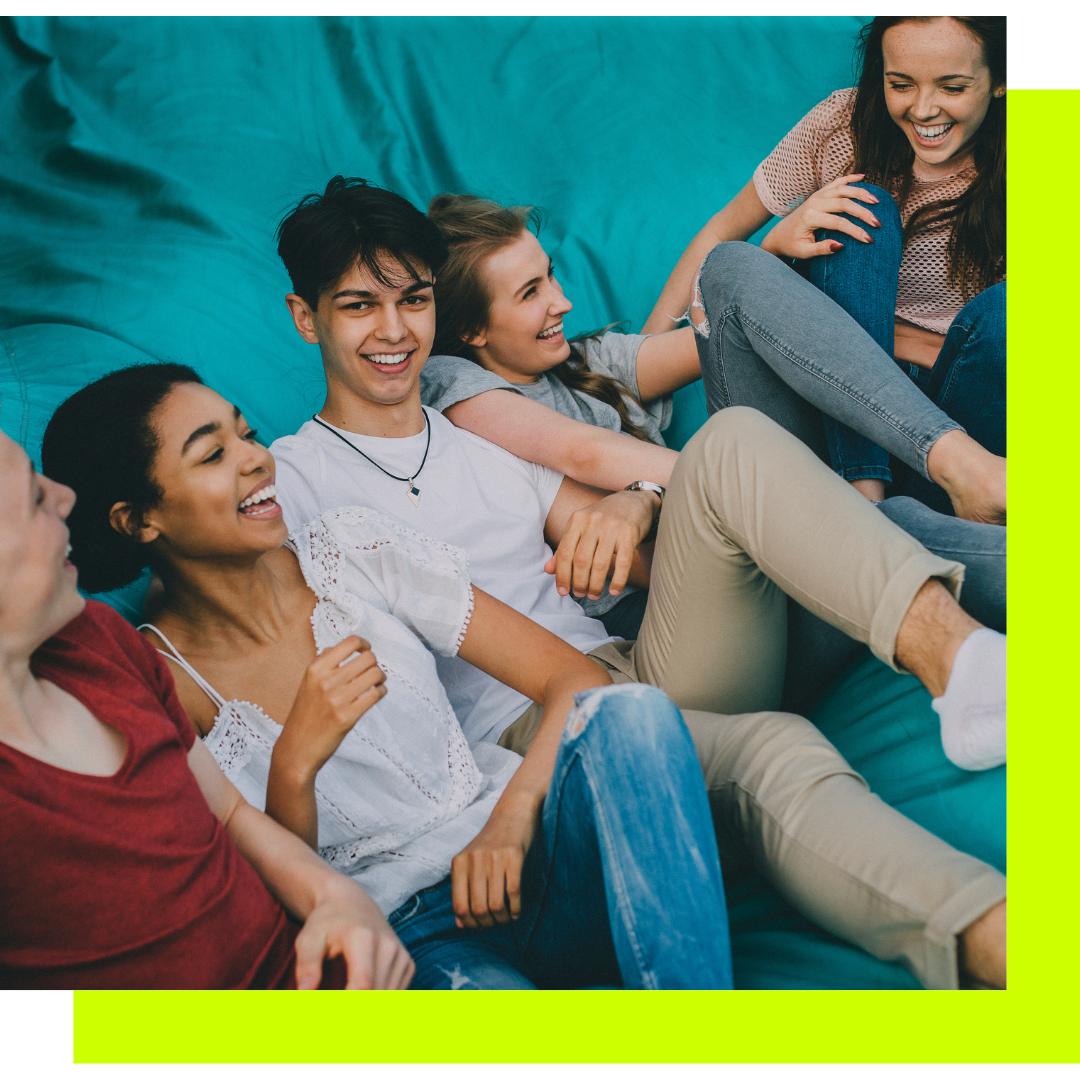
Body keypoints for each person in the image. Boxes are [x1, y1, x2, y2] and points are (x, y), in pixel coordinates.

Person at [268, 176, 1007, 989]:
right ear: (306, 319)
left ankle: (965, 661)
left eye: (412, 300)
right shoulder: (290, 482)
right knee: (774, 749)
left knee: (729, 447)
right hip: (534, 744)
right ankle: (997, 940)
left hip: (642, 665)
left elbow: (669, 539)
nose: (395, 330)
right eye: (359, 307)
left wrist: (638, 503)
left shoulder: (482, 438)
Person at [42, 364, 736, 991]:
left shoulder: (349, 551)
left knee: (635, 714)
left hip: (531, 854)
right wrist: (294, 765)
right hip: (415, 940)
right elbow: (267, 907)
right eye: (214, 454)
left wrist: (511, 820)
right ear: (138, 520)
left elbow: (579, 680)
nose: (256, 459)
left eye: (246, 433)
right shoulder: (161, 682)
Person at [419, 193, 1006, 645]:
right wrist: (798, 495)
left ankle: (941, 470)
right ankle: (901, 496)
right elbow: (585, 455)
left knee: (745, 264)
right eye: (530, 292)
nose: (563, 302)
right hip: (712, 616)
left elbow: (723, 328)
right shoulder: (455, 390)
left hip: (765, 540)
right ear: (470, 330)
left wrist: (771, 255)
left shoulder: (583, 363)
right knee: (891, 522)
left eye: (551, 274)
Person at [0, 429, 415, 990]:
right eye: (33, 498)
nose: (64, 496)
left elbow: (228, 814)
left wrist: (336, 897)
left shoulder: (98, 643)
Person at [644, 17, 1005, 513]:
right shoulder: (843, 123)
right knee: (857, 209)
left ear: (1002, 80)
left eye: (953, 86)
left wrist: (871, 335)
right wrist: (645, 355)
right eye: (900, 84)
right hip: (831, 401)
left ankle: (927, 507)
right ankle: (864, 501)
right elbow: (722, 234)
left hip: (963, 410)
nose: (923, 109)